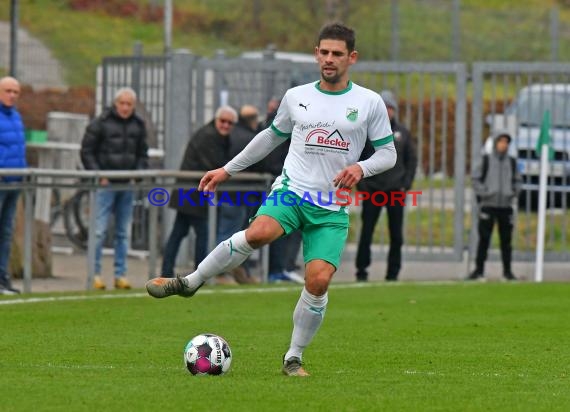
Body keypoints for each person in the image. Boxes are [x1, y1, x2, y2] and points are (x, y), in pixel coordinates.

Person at [146, 23, 397, 376]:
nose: (329, 59)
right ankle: (190, 282)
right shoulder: (296, 96)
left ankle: (293, 357)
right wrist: (226, 170)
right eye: (323, 52)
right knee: (259, 232)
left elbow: (388, 154)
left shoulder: (368, 103)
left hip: (331, 207)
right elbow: (269, 138)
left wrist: (361, 167)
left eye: (337, 53)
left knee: (318, 281)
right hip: (291, 191)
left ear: (351, 58)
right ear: (316, 54)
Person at [80, 87, 149, 290]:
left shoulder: (138, 125)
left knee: (123, 232)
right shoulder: (100, 123)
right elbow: (87, 151)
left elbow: (143, 154)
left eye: (129, 104)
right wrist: (98, 174)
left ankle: (120, 274)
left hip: (126, 184)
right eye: (122, 103)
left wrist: (138, 173)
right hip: (106, 184)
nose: (125, 108)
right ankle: (94, 274)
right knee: (99, 231)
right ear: (115, 103)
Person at [161, 106, 237, 279]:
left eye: (229, 123)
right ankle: (198, 273)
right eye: (223, 121)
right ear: (216, 120)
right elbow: (214, 164)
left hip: (193, 192)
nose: (225, 125)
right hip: (192, 193)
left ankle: (168, 271)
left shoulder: (216, 136)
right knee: (201, 233)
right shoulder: (208, 136)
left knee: (179, 232)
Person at [355, 90, 417, 282]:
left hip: (395, 191)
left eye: (390, 108)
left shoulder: (403, 133)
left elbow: (411, 161)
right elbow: (357, 158)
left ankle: (393, 273)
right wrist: (363, 186)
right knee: (366, 232)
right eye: (384, 107)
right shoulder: (366, 132)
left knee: (396, 235)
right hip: (372, 190)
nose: (387, 111)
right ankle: (362, 271)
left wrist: (405, 185)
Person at [468, 131, 521, 281]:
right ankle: (479, 271)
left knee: (506, 241)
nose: (503, 145)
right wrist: (485, 193)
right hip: (488, 205)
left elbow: (517, 180)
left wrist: (513, 193)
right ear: (495, 143)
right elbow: (475, 179)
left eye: (506, 142)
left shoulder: (511, 162)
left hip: (505, 206)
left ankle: (507, 272)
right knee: (484, 239)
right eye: (501, 141)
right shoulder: (486, 161)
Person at [0, 76, 27, 295]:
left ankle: (3, 277)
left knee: (6, 232)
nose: (11, 95)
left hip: (14, 182)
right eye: (7, 90)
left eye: (15, 91)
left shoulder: (16, 116)